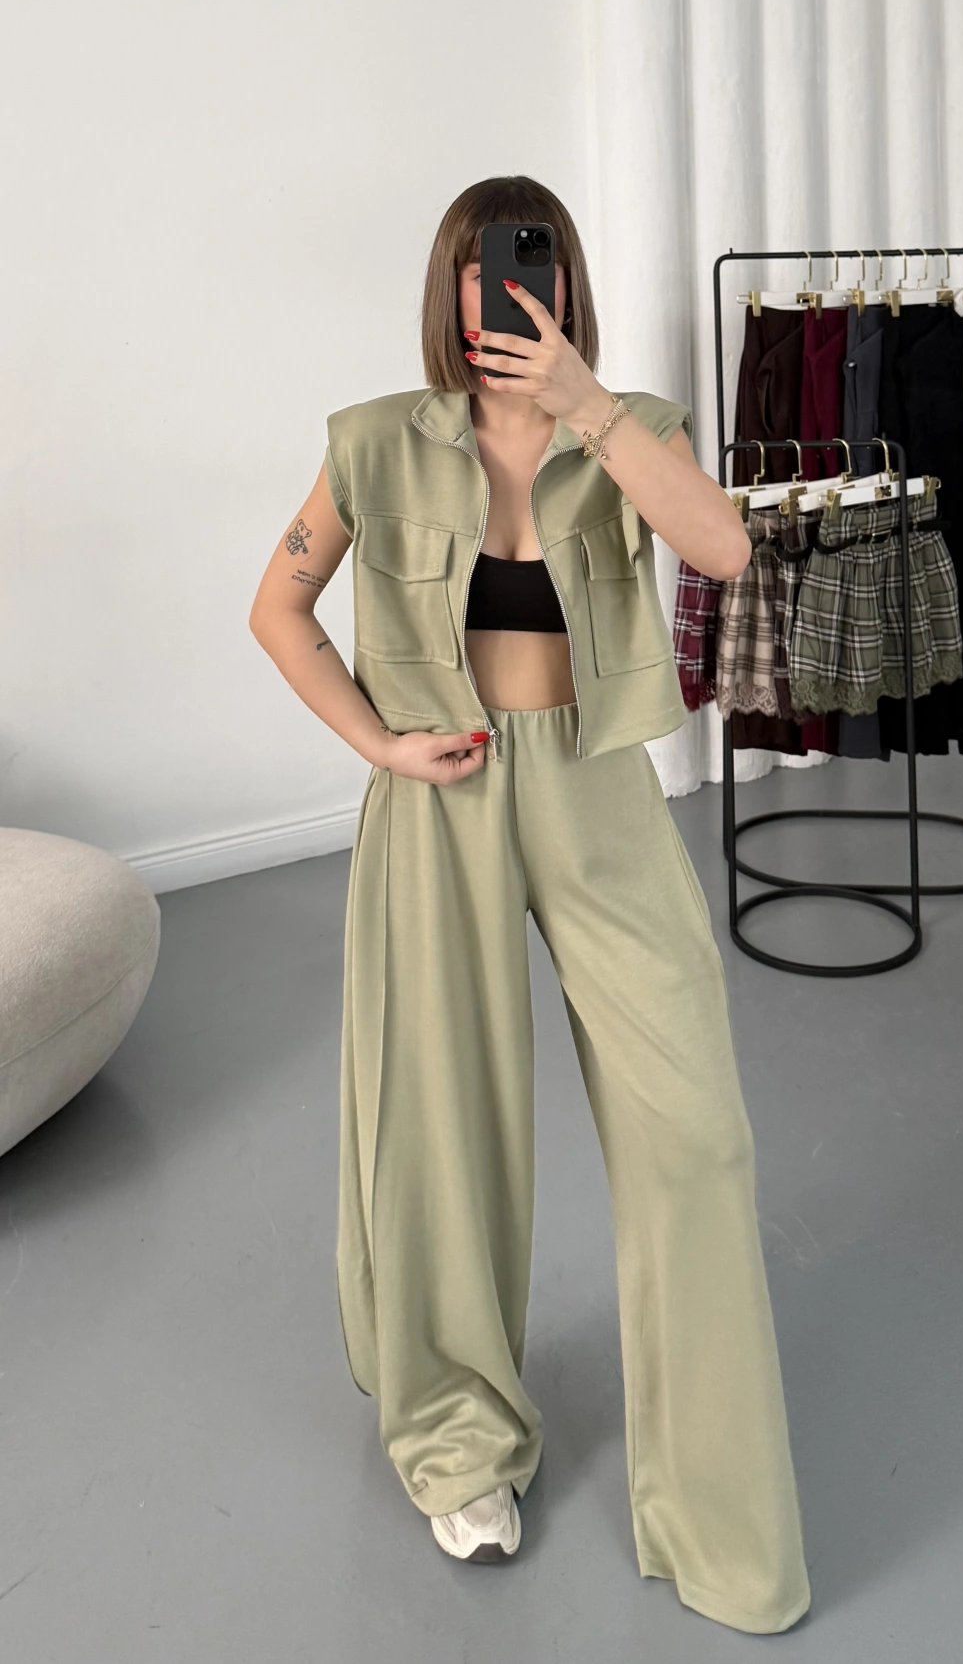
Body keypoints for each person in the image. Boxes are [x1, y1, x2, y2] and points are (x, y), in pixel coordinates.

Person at [248, 175, 812, 1634]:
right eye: (483, 269)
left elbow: (727, 549)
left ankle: (716, 1505)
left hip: (596, 789)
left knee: (695, 1127)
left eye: (534, 264)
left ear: (566, 287)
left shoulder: (634, 427)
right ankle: (459, 1443)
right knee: (442, 1122)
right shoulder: (376, 441)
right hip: (439, 796)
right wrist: (377, 746)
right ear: (450, 287)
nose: (505, 290)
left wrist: (589, 409)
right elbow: (278, 608)